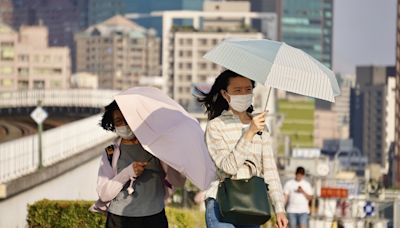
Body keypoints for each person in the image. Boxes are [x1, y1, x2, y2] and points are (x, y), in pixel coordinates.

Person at [197, 69, 288, 228]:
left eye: (248, 90)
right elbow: (228, 167)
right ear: (225, 94)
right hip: (222, 205)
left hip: (252, 204)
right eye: (237, 91)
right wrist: (249, 133)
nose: (243, 94)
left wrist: (279, 208)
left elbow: (270, 170)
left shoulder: (262, 128)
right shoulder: (215, 126)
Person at [90, 100, 185, 228]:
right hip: (119, 220)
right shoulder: (110, 152)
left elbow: (178, 182)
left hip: (154, 218)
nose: (124, 125)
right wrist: (127, 173)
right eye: (118, 121)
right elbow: (104, 194)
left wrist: (172, 157)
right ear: (113, 125)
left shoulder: (157, 147)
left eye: (127, 119)